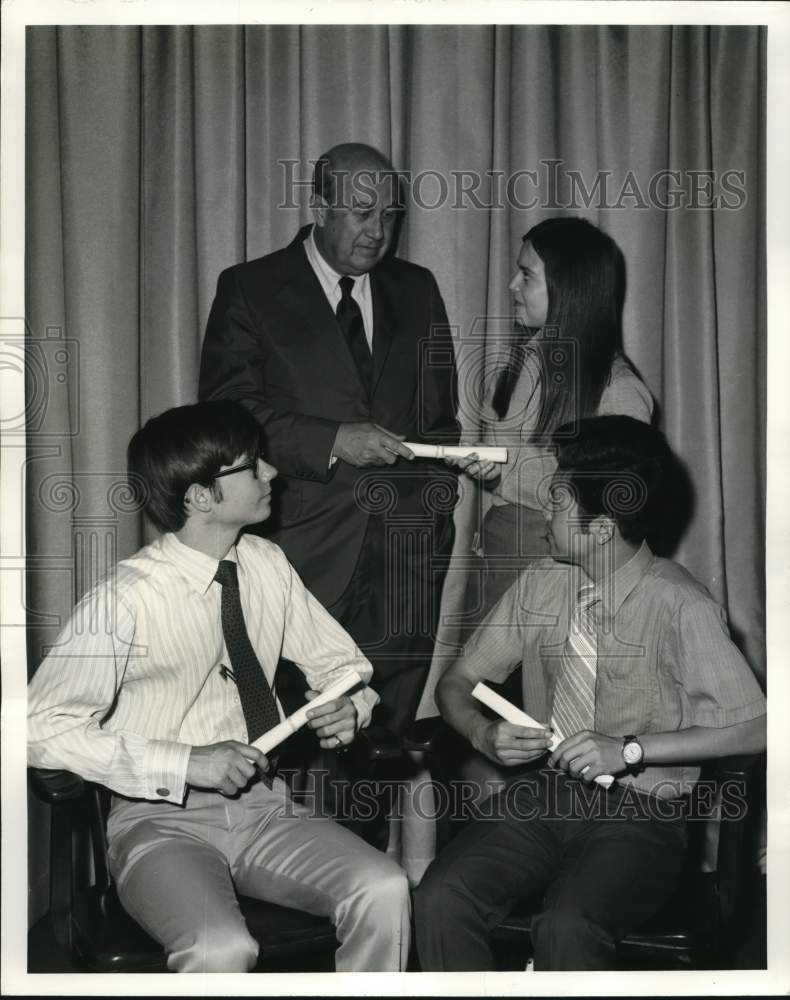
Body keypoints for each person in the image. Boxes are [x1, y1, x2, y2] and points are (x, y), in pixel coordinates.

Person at [27, 400, 411, 973]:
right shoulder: (124, 599)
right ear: (201, 496)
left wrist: (349, 707)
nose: (272, 473)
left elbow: (345, 668)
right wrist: (184, 762)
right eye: (252, 465)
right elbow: (36, 729)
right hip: (158, 823)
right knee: (221, 948)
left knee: (385, 888)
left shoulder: (267, 564)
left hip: (266, 812)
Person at [414, 415, 766, 971]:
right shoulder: (540, 582)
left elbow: (757, 725)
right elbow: (456, 683)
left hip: (643, 814)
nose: (545, 511)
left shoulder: (681, 605)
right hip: (542, 798)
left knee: (567, 926)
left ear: (600, 527)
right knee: (439, 897)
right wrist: (483, 733)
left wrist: (628, 749)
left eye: (558, 498)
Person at [199, 141, 459, 740]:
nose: (378, 231)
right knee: (282, 738)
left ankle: (364, 839)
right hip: (298, 553)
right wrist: (333, 440)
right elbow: (226, 416)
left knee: (376, 747)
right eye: (361, 212)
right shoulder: (250, 288)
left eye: (389, 215)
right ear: (319, 206)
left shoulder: (417, 288)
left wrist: (438, 496)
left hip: (405, 558)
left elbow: (438, 417)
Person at [454, 217, 654, 623]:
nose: (511, 284)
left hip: (559, 570)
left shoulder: (619, 389)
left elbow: (613, 499)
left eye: (526, 275)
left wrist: (500, 475)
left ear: (570, 289)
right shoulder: (525, 359)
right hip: (501, 554)